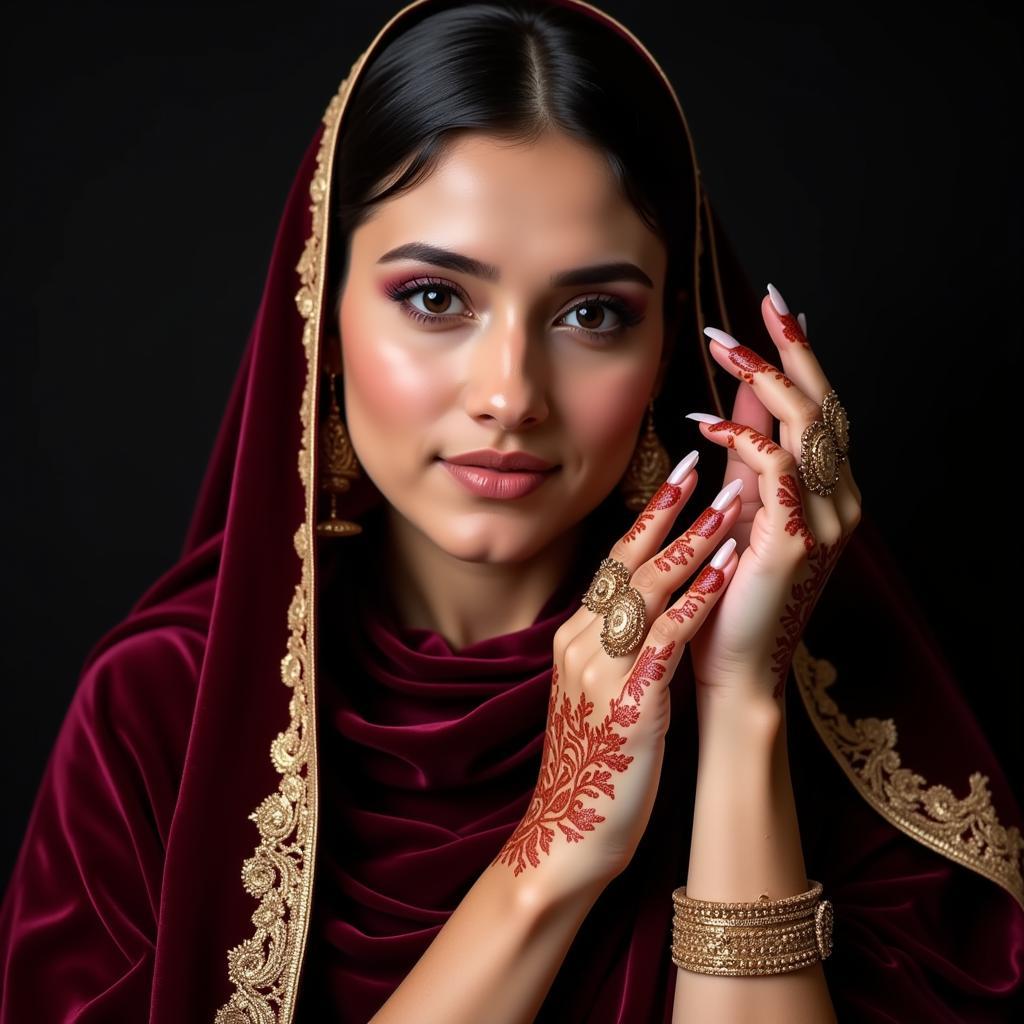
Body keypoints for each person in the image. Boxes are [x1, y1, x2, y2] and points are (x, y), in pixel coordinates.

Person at [1, 0, 1021, 1020]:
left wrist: (741, 702)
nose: (509, 393)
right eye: (436, 298)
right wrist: (552, 855)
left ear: (665, 344)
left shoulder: (826, 711)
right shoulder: (161, 708)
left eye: (592, 314)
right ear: (319, 304)